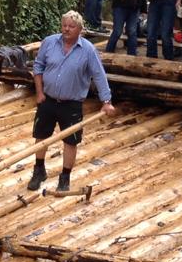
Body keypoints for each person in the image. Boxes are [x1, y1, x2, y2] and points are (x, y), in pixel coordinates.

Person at [27, 10, 116, 191]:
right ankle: (39, 171)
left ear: (80, 30)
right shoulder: (49, 42)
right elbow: (38, 67)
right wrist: (39, 93)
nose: (66, 29)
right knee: (41, 136)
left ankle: (65, 178)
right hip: (48, 100)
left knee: (70, 141)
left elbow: (99, 75)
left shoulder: (88, 50)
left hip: (72, 104)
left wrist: (106, 101)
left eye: (71, 26)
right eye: (64, 25)